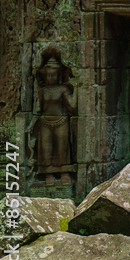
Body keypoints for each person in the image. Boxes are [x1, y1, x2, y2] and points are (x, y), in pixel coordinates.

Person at [34, 47, 77, 184]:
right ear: (44, 76)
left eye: (54, 75)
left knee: (62, 147)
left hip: (61, 121)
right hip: (45, 122)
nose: (51, 78)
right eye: (48, 75)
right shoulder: (42, 90)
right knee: (46, 148)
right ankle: (48, 173)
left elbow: (72, 107)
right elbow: (38, 109)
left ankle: (64, 171)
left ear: (60, 76)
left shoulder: (63, 89)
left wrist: (77, 89)